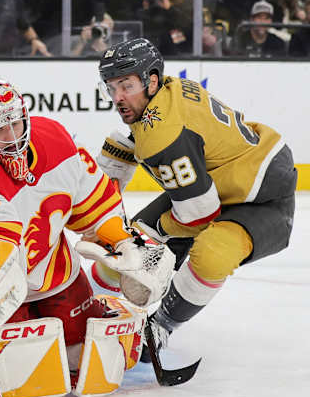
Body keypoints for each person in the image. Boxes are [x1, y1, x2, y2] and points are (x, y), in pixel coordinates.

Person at [0, 76, 174, 379]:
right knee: (22, 367)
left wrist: (125, 243)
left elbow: (95, 203)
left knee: (85, 355)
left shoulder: (56, 141)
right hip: (0, 291)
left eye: (16, 123)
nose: (12, 136)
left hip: (56, 274)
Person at [95, 38, 297, 355]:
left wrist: (157, 234)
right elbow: (138, 140)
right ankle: (89, 306)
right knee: (124, 248)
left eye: (126, 85)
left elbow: (198, 215)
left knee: (212, 253)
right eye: (111, 87)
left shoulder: (165, 133)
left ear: (151, 80)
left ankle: (161, 325)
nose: (118, 98)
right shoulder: (167, 91)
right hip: (213, 185)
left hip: (263, 198)